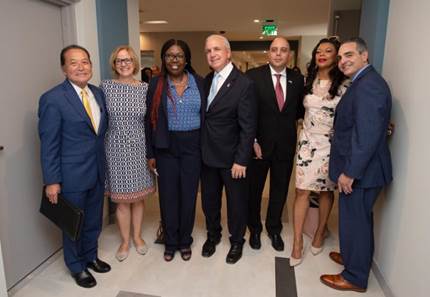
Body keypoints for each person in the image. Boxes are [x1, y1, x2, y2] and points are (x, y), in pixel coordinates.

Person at [320, 37, 392, 292]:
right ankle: (353, 259)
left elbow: (367, 135)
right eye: (340, 58)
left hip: (363, 172)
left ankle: (354, 276)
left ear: (365, 55)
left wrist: (350, 172)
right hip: (365, 169)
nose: (343, 61)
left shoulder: (369, 85)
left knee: (356, 223)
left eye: (349, 55)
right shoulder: (363, 81)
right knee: (357, 221)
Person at [38, 45, 110, 288]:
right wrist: (52, 181)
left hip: (97, 170)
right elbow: (49, 144)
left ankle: (90, 256)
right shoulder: (53, 99)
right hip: (70, 176)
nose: (81, 67)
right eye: (74, 63)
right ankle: (76, 266)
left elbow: (98, 135)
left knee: (93, 220)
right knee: (73, 225)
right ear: (64, 68)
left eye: (85, 62)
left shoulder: (98, 94)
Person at [289, 37, 348, 266]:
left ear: (336, 56)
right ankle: (296, 243)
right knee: (301, 191)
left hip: (332, 146)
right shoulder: (307, 81)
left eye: (328, 51)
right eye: (318, 51)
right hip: (307, 143)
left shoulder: (345, 85)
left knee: (325, 191)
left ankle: (319, 233)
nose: (322, 54)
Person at [146, 39, 205, 261]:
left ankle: (184, 240)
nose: (174, 60)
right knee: (168, 196)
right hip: (165, 145)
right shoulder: (156, 84)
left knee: (189, 195)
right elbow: (148, 120)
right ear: (163, 59)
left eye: (179, 55)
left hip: (193, 146)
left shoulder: (199, 83)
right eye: (169, 55)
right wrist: (150, 153)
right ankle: (170, 241)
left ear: (187, 59)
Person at [201, 34, 257, 264]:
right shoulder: (206, 80)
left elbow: (248, 126)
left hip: (233, 158)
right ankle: (213, 235)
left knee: (236, 203)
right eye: (208, 51)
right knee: (209, 201)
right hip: (207, 155)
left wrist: (242, 159)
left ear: (228, 53)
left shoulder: (244, 84)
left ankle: (237, 241)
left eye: (217, 49)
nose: (212, 54)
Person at [246, 37, 304, 251]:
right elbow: (247, 114)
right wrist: (252, 141)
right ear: (268, 53)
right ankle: (254, 229)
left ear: (289, 54)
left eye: (283, 50)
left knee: (279, 191)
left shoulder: (298, 79)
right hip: (258, 147)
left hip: (285, 147)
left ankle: (274, 228)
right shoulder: (253, 77)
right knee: (254, 191)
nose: (278, 54)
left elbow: (299, 111)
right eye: (274, 50)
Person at [101, 45, 155, 262]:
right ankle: (125, 241)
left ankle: (137, 236)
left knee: (139, 198)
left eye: (128, 60)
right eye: (120, 60)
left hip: (140, 148)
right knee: (122, 201)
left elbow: (150, 121)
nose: (124, 64)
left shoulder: (145, 88)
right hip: (114, 148)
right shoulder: (104, 87)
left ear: (135, 63)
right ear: (114, 64)